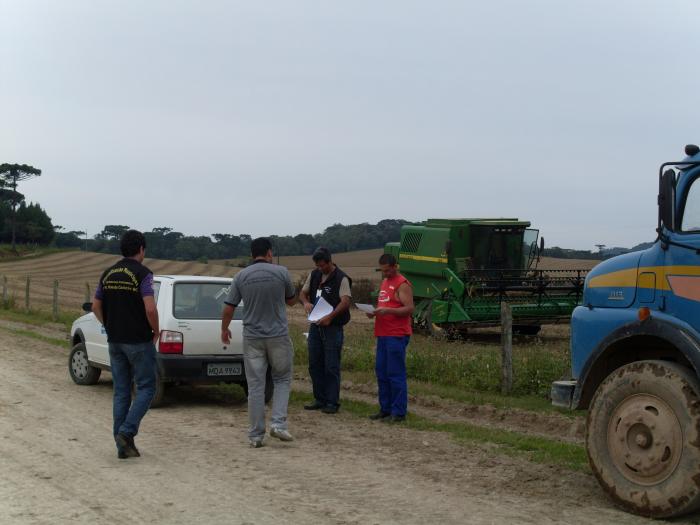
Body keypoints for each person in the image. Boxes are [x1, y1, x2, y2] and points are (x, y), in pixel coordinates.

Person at [221, 237, 297, 448]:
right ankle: (279, 424)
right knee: (282, 379)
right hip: (278, 336)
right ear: (270, 253)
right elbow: (291, 300)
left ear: (252, 254)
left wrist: (224, 329)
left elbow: (229, 307)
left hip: (252, 337)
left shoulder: (241, 276)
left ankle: (255, 436)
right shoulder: (281, 272)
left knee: (255, 385)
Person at [92, 230, 159, 459]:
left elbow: (95, 306)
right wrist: (156, 330)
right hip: (139, 341)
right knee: (147, 388)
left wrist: (108, 325)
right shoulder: (143, 274)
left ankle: (123, 446)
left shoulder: (107, 274)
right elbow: (150, 308)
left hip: (115, 340)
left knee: (121, 391)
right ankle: (126, 431)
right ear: (141, 249)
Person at [299, 247, 352, 414]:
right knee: (315, 364)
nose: (320, 269)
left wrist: (330, 317)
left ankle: (332, 402)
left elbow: (345, 302)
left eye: (322, 265)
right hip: (315, 325)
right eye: (317, 266)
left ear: (330, 261)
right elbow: (302, 293)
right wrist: (306, 303)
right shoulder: (314, 274)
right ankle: (319, 399)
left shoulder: (341, 278)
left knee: (331, 366)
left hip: (333, 328)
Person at [366, 253, 414, 423]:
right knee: (381, 372)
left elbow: (409, 308)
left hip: (396, 334)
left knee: (395, 373)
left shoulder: (403, 284)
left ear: (395, 266)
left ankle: (398, 412)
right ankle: (385, 409)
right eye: (383, 271)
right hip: (383, 333)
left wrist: (388, 311)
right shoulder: (385, 282)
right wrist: (374, 313)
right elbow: (384, 304)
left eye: (387, 270)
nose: (385, 273)